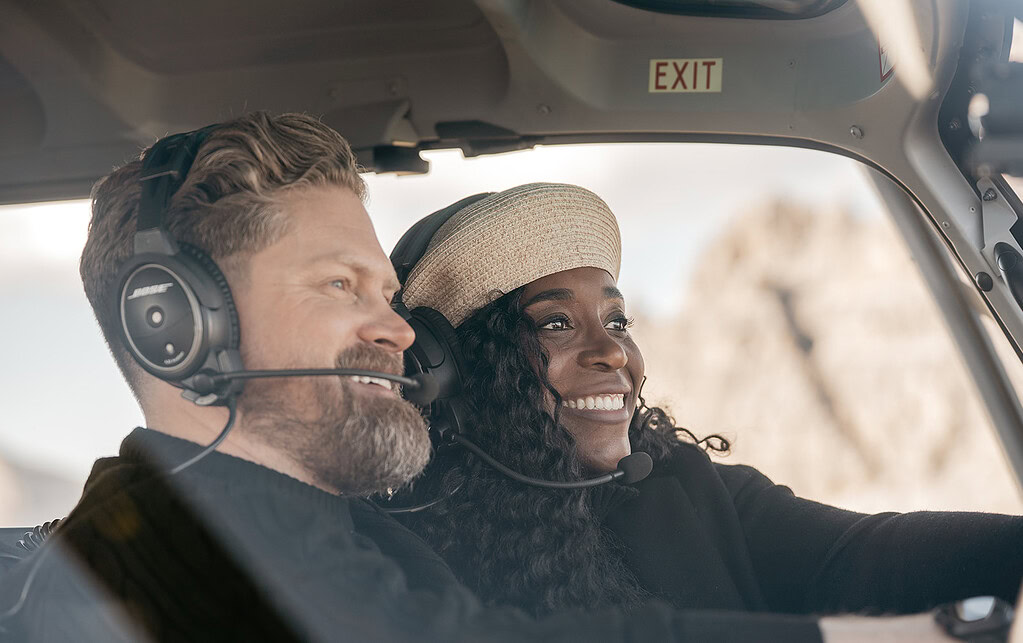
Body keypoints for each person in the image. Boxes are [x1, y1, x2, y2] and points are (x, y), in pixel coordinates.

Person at [0, 113, 833, 642]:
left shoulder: (318, 529)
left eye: (388, 295)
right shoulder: (153, 554)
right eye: (340, 284)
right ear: (177, 323)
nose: (397, 330)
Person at [395, 183, 1023, 630]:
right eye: (556, 323)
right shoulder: (404, 557)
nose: (612, 351)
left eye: (617, 320)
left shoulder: (683, 484)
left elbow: (859, 554)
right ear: (453, 371)